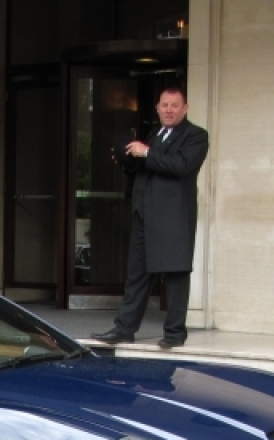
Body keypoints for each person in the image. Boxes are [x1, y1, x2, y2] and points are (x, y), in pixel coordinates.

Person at [93, 83, 209, 349]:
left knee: (176, 274)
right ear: (158, 108)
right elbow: (146, 170)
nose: (169, 110)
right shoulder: (156, 134)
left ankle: (174, 334)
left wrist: (146, 153)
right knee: (137, 275)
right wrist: (128, 159)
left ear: (185, 108)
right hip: (145, 215)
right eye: (164, 105)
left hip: (174, 217)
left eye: (174, 105)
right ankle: (124, 329)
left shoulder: (196, 136)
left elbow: (181, 165)